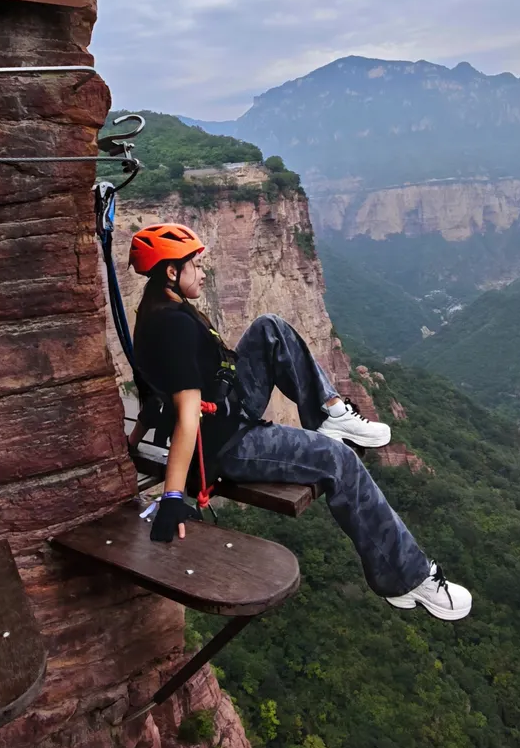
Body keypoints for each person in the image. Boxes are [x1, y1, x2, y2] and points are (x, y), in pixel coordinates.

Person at [127, 222, 471, 622]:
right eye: (195, 265)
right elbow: (186, 415)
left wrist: (133, 441)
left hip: (228, 406)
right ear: (171, 272)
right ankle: (407, 577)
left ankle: (329, 413)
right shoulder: (172, 328)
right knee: (339, 461)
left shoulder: (156, 310)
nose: (204, 273)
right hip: (228, 443)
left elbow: (151, 395)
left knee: (269, 328)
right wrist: (172, 498)